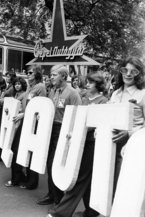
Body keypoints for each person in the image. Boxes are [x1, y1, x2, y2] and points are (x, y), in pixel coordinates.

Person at [47, 72, 108, 217]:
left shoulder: (104, 101)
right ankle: (92, 211)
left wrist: (79, 131)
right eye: (87, 82)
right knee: (87, 178)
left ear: (98, 85)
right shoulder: (85, 99)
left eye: (91, 82)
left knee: (80, 177)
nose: (87, 84)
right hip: (80, 141)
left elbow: (98, 123)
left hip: (92, 144)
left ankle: (61, 212)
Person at [37, 64, 82, 206]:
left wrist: (72, 134)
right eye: (50, 75)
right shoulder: (52, 91)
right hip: (50, 129)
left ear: (63, 76)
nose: (50, 77)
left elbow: (78, 115)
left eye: (53, 74)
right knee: (48, 163)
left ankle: (58, 200)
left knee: (54, 164)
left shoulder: (72, 93)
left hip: (63, 131)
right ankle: (52, 194)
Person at [108, 57, 145, 195]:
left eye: (133, 71)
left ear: (139, 74)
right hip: (111, 145)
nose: (128, 74)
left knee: (125, 189)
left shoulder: (143, 94)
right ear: (121, 72)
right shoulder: (115, 94)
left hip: (132, 146)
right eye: (125, 70)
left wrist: (129, 133)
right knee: (109, 185)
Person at [7, 64, 46, 190]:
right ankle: (19, 177)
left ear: (37, 74)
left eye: (30, 73)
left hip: (33, 123)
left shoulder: (40, 88)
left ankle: (31, 181)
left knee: (28, 151)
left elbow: (39, 107)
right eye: (27, 73)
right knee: (17, 148)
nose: (27, 74)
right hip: (26, 121)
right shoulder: (30, 87)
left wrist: (24, 114)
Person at [5, 77, 28, 187]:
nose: (17, 86)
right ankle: (18, 177)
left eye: (19, 84)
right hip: (14, 125)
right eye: (16, 84)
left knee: (16, 150)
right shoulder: (16, 95)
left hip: (20, 125)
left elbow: (24, 110)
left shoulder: (24, 95)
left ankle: (17, 178)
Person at [0, 70, 17, 161]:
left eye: (8, 77)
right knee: (1, 131)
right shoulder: (9, 86)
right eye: (7, 76)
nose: (7, 78)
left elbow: (11, 98)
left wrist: (3, 99)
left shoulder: (12, 87)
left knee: (3, 131)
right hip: (3, 109)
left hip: (6, 111)